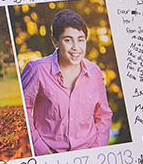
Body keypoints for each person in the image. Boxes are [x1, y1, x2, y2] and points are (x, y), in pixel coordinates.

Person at [21, 9, 112, 155]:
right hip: (49, 155)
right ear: (55, 41)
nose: (76, 47)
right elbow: (22, 112)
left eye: (81, 40)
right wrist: (42, 150)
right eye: (68, 40)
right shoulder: (37, 70)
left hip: (88, 153)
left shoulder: (94, 73)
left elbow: (104, 115)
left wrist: (96, 151)